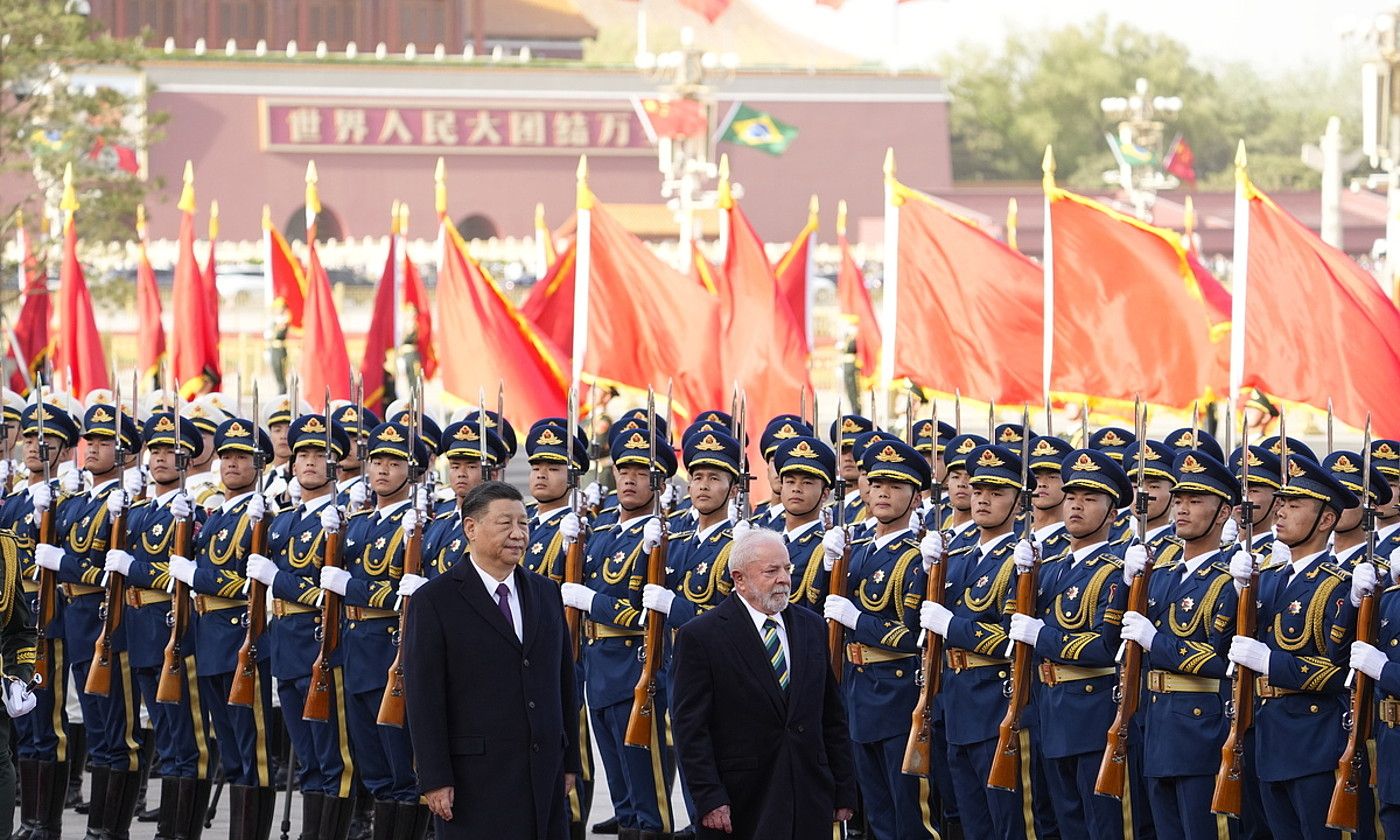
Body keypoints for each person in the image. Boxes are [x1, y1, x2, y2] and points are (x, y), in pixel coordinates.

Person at [404, 480, 581, 840]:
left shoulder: (545, 593)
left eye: (524, 524)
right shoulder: (435, 601)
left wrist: (570, 760)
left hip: (541, 772)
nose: (518, 534)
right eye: (505, 524)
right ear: (471, 528)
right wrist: (434, 778)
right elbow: (424, 698)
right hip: (474, 779)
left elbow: (564, 681)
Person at [670, 529, 855, 839]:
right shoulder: (702, 636)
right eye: (771, 571)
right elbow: (690, 729)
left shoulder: (811, 626)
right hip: (742, 800)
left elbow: (831, 715)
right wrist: (709, 797)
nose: (783, 578)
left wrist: (843, 788)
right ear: (739, 579)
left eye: (787, 568)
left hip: (808, 795)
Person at [1226, 455, 1359, 839]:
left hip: (1312, 740)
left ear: (1327, 520)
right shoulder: (1267, 580)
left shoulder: (1340, 585)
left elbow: (1338, 672)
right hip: (1267, 738)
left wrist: (1271, 661)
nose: (1280, 513)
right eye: (1281, 504)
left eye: (1295, 505)